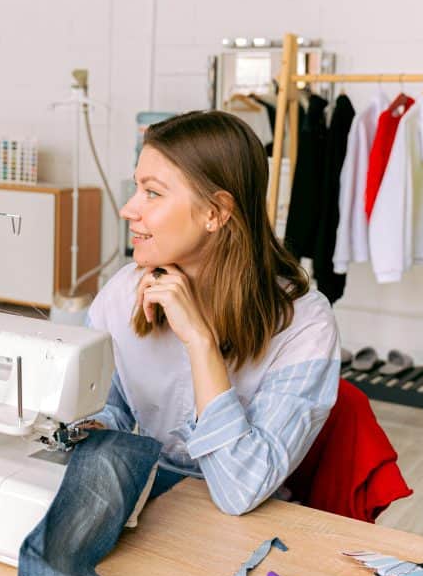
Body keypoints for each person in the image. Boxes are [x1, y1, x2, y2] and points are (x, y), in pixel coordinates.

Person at [84, 110, 340, 515]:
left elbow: (240, 490)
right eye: (137, 188)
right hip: (148, 501)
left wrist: (200, 343)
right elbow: (108, 410)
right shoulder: (122, 294)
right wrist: (85, 428)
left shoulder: (304, 326)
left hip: (241, 521)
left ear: (215, 213)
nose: (128, 210)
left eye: (152, 193)